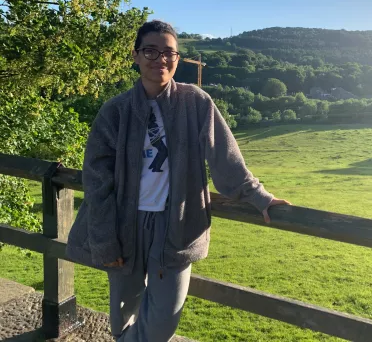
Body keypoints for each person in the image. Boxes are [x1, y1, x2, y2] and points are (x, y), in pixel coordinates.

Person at [66, 20, 291, 342]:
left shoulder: (195, 102)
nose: (160, 60)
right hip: (123, 224)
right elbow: (97, 180)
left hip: (177, 225)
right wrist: (104, 240)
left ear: (177, 57)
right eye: (151, 51)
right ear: (135, 55)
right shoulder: (115, 111)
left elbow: (224, 157)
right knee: (123, 315)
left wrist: (258, 196)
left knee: (161, 323)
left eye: (169, 53)